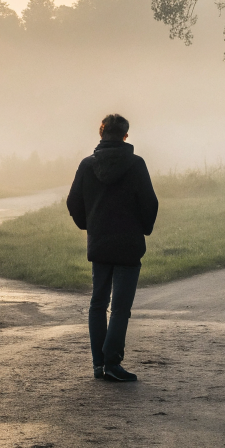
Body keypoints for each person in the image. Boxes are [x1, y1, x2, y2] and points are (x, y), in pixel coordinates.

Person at [66, 113, 159, 383]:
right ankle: (113, 363)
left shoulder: (87, 165)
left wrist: (89, 225)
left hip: (100, 244)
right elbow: (150, 204)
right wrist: (142, 228)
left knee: (98, 304)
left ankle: (99, 364)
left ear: (101, 133)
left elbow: (73, 202)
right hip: (129, 245)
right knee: (120, 308)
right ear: (126, 136)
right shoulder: (136, 164)